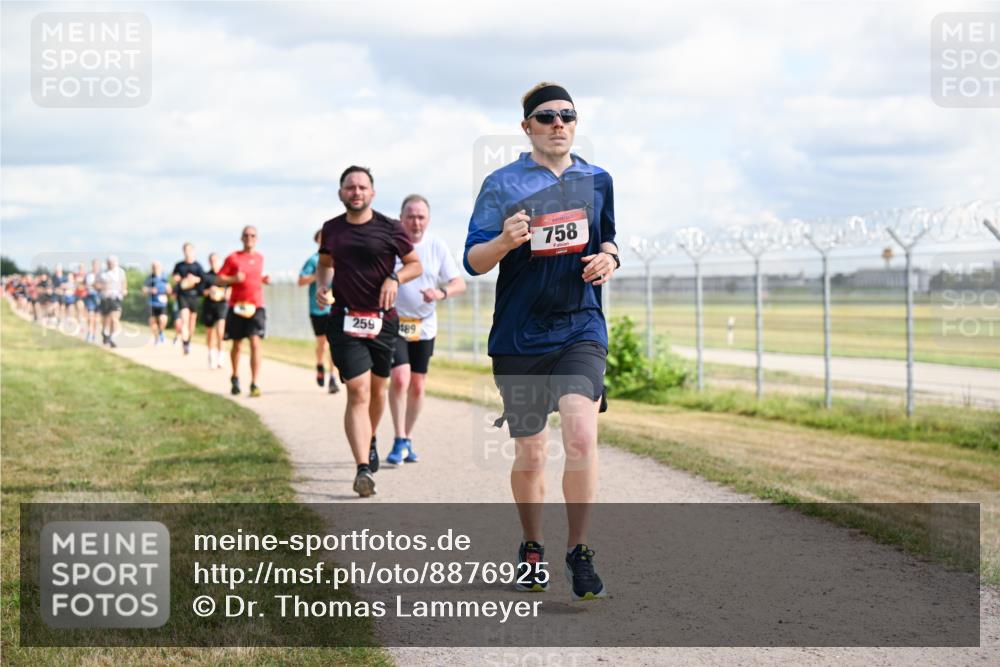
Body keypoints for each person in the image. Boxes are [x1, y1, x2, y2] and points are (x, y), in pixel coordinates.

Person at [464, 82, 619, 601]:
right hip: (520, 335)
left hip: (580, 326)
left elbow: (608, 237)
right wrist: (505, 241)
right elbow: (475, 261)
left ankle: (579, 551)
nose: (559, 124)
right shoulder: (502, 183)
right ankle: (532, 546)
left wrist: (611, 258)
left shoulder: (597, 180)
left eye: (567, 116)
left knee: (580, 436)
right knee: (531, 452)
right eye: (547, 116)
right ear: (526, 126)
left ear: (576, 123)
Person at [315, 165, 422, 498]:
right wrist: (322, 285)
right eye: (350, 187)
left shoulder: (390, 228)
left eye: (362, 187)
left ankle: (371, 437)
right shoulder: (332, 229)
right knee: (358, 391)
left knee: (378, 391)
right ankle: (362, 468)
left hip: (382, 322)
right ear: (341, 193)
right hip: (345, 319)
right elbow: (325, 263)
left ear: (372, 193)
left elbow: (414, 264)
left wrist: (394, 278)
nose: (356, 192)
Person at [386, 194, 466, 464]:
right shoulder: (391, 245)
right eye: (410, 216)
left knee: (418, 387)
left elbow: (459, 283)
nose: (415, 222)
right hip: (395, 323)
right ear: (401, 218)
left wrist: (440, 293)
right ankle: (398, 438)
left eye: (421, 217)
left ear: (428, 220)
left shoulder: (436, 246)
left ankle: (407, 438)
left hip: (424, 326)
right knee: (400, 379)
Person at [216, 226, 270, 397]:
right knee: (237, 344)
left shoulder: (260, 258)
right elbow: (219, 278)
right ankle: (235, 376)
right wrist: (233, 279)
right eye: (246, 235)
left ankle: (254, 383)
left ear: (257, 238)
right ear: (241, 238)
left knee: (255, 342)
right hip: (237, 306)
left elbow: (254, 279)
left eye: (253, 235)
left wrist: (263, 279)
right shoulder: (233, 258)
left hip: (256, 306)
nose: (249, 238)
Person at [298, 230, 340, 393]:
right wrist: (317, 275)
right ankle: (319, 365)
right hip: (317, 309)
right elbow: (300, 281)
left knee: (333, 344)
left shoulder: (338, 260)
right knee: (322, 344)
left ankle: (333, 378)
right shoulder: (313, 260)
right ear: (317, 241)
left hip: (335, 308)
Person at [172, 243, 205, 355]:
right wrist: (178, 279)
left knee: (192, 322)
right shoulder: (179, 265)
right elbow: (175, 277)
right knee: (184, 320)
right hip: (183, 295)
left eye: (189, 250)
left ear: (193, 251)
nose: (187, 252)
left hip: (194, 295)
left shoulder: (198, 266)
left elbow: (203, 279)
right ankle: (185, 344)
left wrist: (195, 279)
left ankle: (188, 340)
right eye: (185, 250)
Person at [200, 253, 229, 369]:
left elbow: (230, 289)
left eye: (215, 260)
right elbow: (201, 292)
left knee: (221, 332)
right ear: (209, 262)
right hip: (209, 306)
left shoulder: (224, 275)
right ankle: (211, 354)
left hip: (222, 305)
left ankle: (221, 356)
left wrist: (224, 293)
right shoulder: (206, 276)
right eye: (211, 260)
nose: (213, 262)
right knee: (210, 333)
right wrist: (210, 291)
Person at [97, 255, 129, 348]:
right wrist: (103, 287)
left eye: (112, 263)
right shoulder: (102, 273)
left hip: (116, 298)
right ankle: (105, 332)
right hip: (105, 298)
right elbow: (96, 284)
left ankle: (112, 337)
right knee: (106, 319)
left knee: (114, 318)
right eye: (109, 263)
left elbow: (124, 283)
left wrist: (124, 290)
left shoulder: (121, 272)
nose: (110, 264)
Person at [142, 261, 171, 344]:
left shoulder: (165, 277)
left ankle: (161, 332)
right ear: (152, 268)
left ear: (161, 267)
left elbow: (169, 290)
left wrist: (168, 290)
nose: (156, 268)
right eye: (154, 267)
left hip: (162, 303)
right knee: (152, 322)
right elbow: (143, 290)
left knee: (163, 319)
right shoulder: (149, 278)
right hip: (152, 303)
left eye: (157, 266)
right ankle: (156, 337)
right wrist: (150, 290)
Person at [83, 259, 102, 343]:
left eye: (97, 265)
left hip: (99, 297)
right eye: (94, 265)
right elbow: (84, 285)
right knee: (90, 316)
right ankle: (89, 333)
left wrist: (97, 286)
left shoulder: (102, 275)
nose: (95, 267)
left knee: (96, 319)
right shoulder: (88, 275)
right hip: (90, 297)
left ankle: (94, 334)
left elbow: (103, 285)